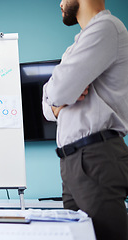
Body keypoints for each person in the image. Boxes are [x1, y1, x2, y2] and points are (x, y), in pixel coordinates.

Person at [42, 0, 128, 239]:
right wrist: (58, 98)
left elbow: (56, 92)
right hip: (73, 161)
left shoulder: (106, 28)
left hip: (94, 156)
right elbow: (47, 108)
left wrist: (58, 95)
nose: (60, 3)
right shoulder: (75, 46)